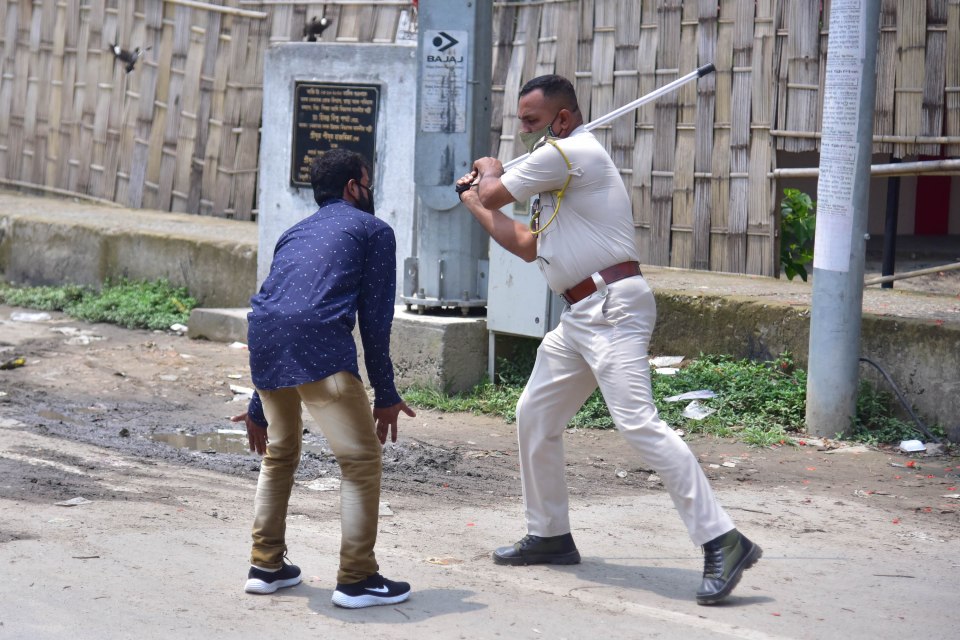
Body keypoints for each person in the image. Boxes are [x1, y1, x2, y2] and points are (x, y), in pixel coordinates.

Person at [456, 75, 761, 605]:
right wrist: (475, 204)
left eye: (531, 121)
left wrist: (484, 170)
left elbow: (495, 186)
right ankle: (550, 534)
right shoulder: (555, 166)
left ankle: (723, 539)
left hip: (612, 305)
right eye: (521, 122)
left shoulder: (568, 152)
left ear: (563, 118)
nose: (524, 131)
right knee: (535, 415)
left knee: (639, 425)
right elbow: (526, 245)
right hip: (580, 314)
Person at [232, 148, 416, 609]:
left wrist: (259, 402)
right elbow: (374, 322)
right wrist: (386, 394)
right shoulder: (374, 231)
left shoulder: (293, 233)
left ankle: (266, 564)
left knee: (280, 453)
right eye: (367, 181)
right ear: (355, 186)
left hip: (266, 342)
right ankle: (357, 578)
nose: (370, 190)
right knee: (359, 462)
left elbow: (276, 308)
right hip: (320, 350)